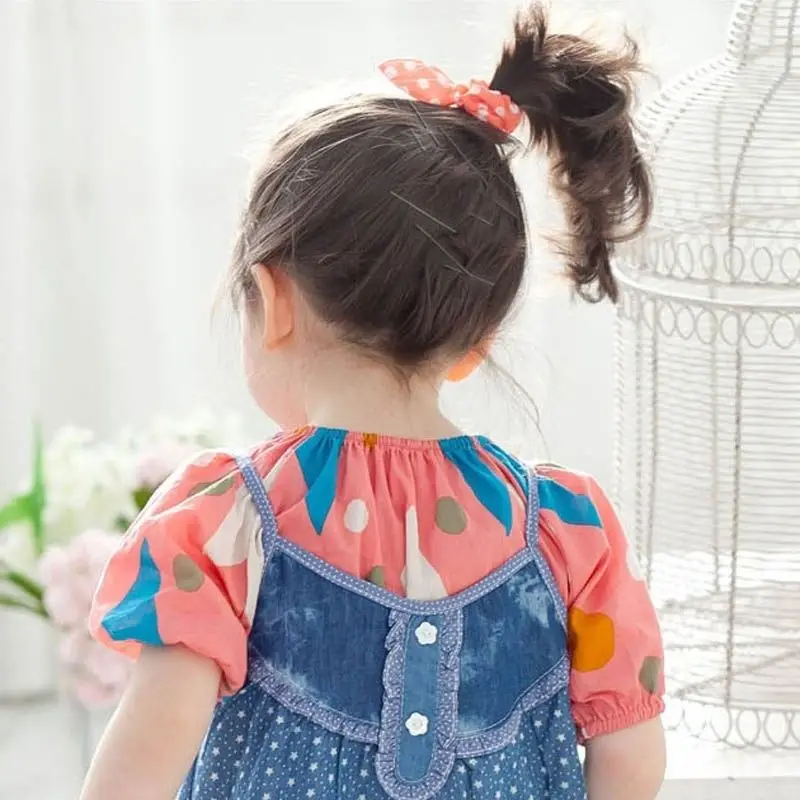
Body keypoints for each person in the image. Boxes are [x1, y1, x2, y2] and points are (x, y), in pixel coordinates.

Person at [80, 5, 665, 799]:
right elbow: (631, 760)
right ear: (479, 339)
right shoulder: (569, 532)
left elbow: (141, 765)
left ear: (272, 302)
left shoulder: (223, 525)